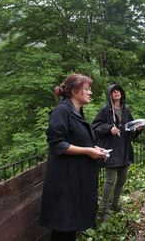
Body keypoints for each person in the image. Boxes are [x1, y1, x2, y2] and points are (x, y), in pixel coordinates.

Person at [40, 73, 108, 241]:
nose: (90, 92)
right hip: (65, 183)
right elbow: (57, 144)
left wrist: (95, 148)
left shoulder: (76, 111)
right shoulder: (61, 111)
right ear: (74, 91)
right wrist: (88, 151)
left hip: (75, 181)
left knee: (70, 226)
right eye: (86, 89)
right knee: (63, 227)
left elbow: (77, 139)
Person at [92, 84, 143, 220]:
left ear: (121, 93)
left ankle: (115, 204)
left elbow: (130, 128)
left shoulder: (126, 109)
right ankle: (104, 210)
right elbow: (95, 126)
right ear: (110, 95)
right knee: (110, 181)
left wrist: (137, 129)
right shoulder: (105, 110)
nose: (116, 93)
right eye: (113, 91)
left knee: (122, 179)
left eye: (118, 90)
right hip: (111, 150)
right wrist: (109, 128)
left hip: (125, 149)